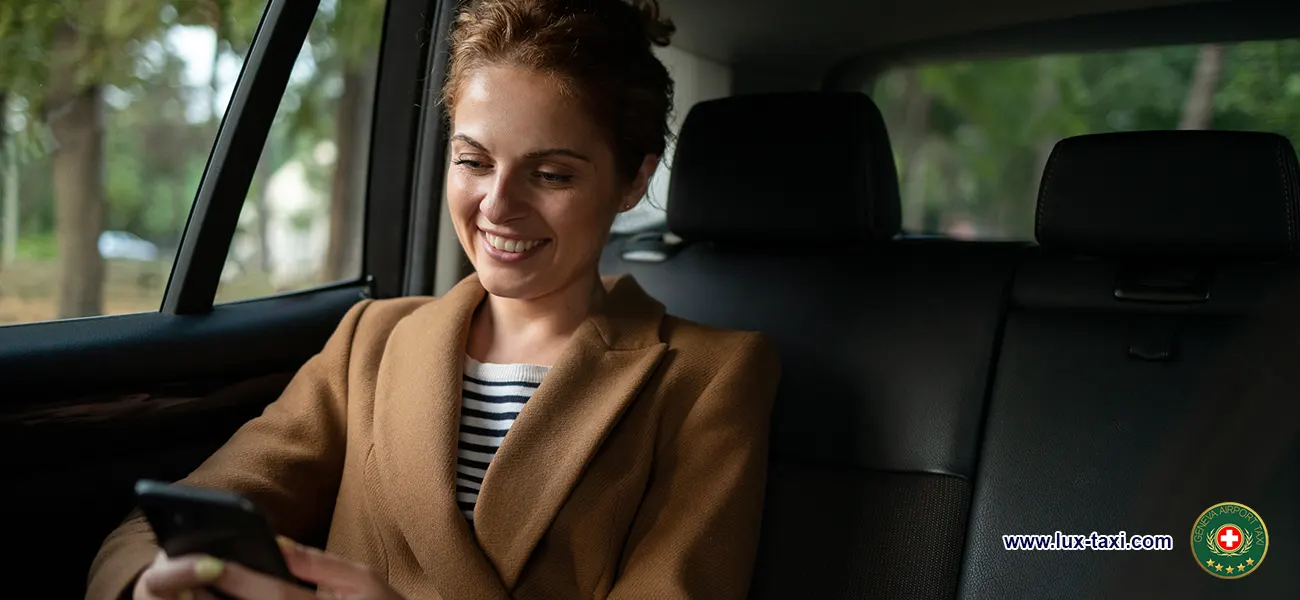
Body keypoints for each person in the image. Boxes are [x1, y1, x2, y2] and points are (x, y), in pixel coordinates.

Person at [86, 0, 781, 598]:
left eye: (551, 174)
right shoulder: (372, 339)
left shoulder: (712, 375)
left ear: (632, 181)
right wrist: (150, 579)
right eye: (473, 161)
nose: (498, 206)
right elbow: (164, 521)